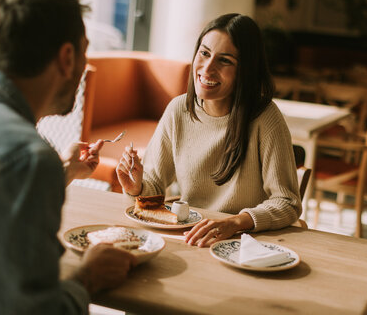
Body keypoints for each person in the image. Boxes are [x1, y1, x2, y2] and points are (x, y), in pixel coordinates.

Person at [0, 0, 136, 314]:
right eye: (85, 50)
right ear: (67, 58)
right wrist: (88, 278)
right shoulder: (26, 158)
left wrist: (63, 172)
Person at [116, 13, 301, 247]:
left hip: (245, 245)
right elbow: (153, 184)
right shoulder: (178, 110)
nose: (207, 68)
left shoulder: (265, 117)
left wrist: (235, 222)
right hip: (191, 239)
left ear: (245, 70)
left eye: (224, 60)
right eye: (204, 53)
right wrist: (136, 187)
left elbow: (287, 203)